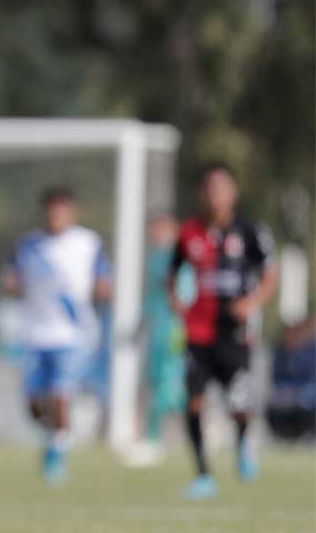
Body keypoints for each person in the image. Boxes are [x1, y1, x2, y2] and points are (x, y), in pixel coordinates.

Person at [170, 162, 278, 499]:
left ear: (233, 193)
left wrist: (252, 302)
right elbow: (173, 274)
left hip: (234, 332)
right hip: (198, 332)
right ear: (203, 194)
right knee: (194, 402)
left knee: (238, 404)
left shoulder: (249, 231)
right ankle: (203, 474)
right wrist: (177, 303)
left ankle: (244, 441)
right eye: (209, 188)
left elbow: (270, 274)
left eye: (221, 188)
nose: (215, 195)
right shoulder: (189, 233)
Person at [3, 186, 112, 484]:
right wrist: (11, 285)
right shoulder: (28, 245)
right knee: (35, 406)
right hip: (36, 334)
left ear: (71, 213)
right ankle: (53, 437)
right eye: (51, 211)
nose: (56, 216)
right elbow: (11, 278)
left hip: (74, 335)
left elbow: (104, 279)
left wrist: (103, 289)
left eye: (61, 211)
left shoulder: (88, 243)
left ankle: (56, 458)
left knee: (60, 396)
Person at [141, 214, 186, 446]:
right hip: (156, 330)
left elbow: (185, 296)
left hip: (174, 331)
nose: (157, 234)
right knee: (157, 381)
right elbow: (149, 300)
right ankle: (153, 433)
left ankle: (154, 436)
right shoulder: (153, 259)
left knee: (170, 381)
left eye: (163, 229)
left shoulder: (180, 258)